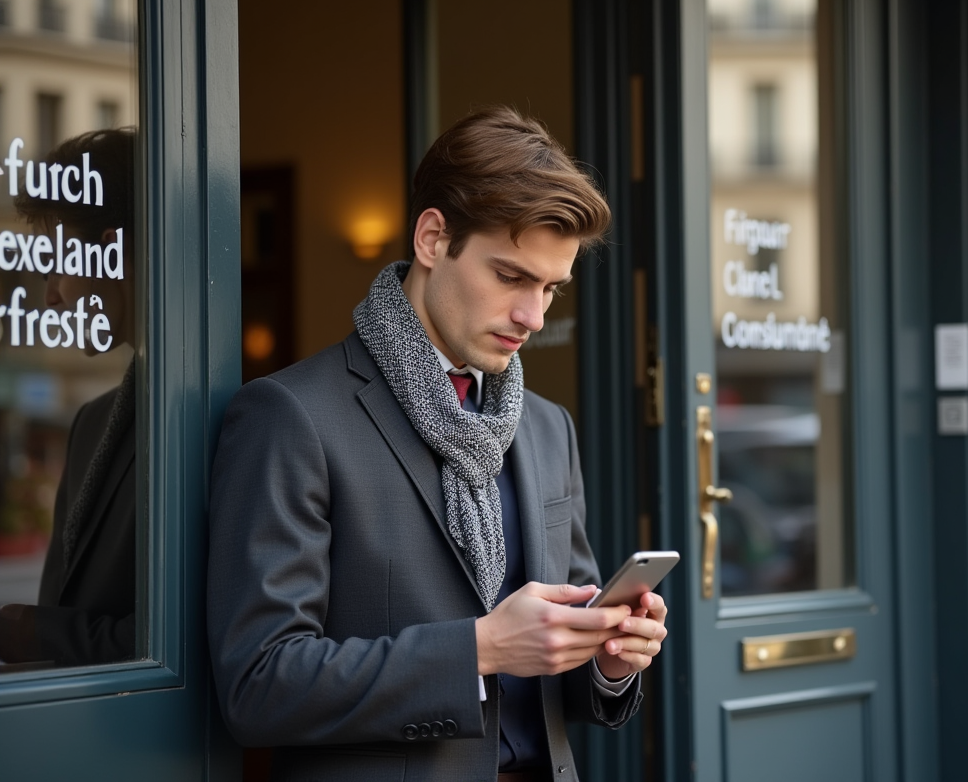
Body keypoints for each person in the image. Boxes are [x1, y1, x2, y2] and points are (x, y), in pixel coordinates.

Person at [207, 106, 668, 781]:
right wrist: (479, 648)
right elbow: (259, 684)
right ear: (432, 238)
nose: (533, 317)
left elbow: (558, 671)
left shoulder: (545, 426)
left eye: (550, 289)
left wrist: (607, 660)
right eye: (511, 277)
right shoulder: (289, 416)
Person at [0, 128, 137, 667]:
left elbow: (207, 647)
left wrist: (38, 636)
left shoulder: (221, 419)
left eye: (58, 262)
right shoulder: (90, 422)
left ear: (112, 252)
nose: (50, 295)